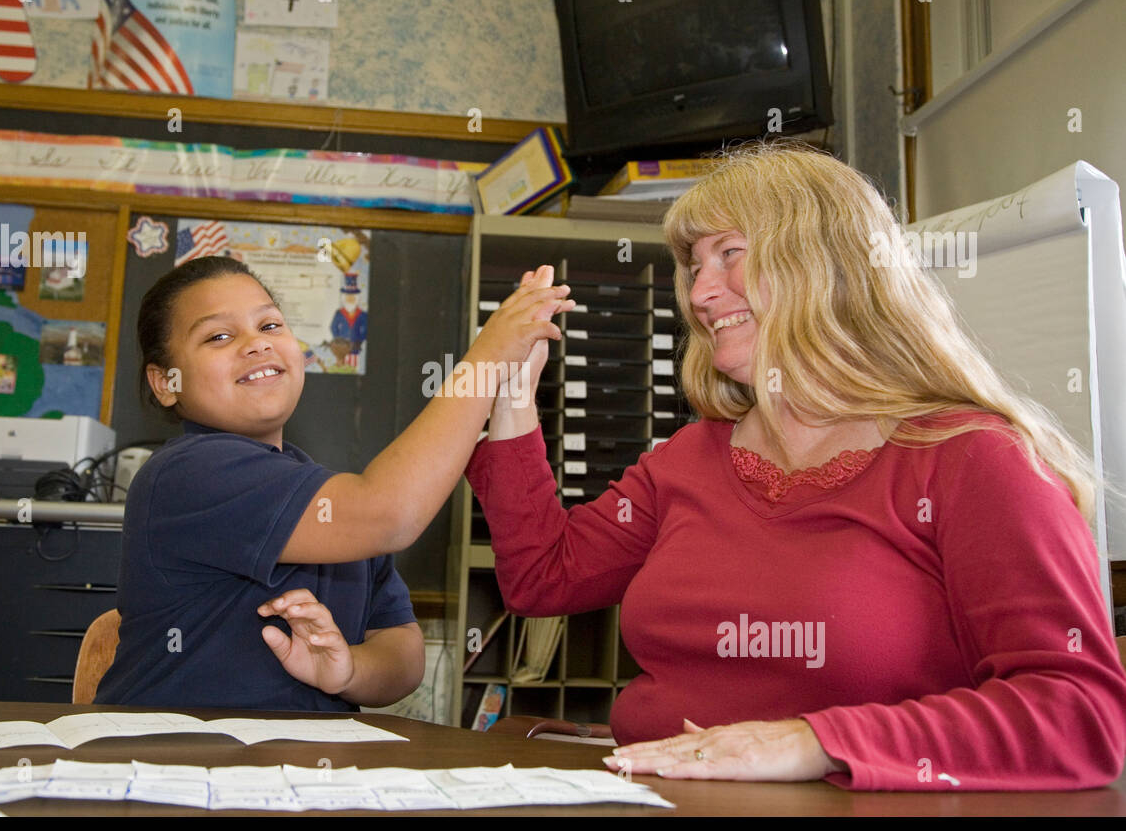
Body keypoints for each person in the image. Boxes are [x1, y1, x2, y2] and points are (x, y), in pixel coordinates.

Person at [465, 143, 1126, 790]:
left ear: (827, 265)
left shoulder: (973, 459)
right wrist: (515, 396)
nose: (701, 293)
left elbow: (1078, 714)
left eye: (729, 256)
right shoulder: (689, 459)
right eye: (694, 267)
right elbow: (542, 580)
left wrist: (817, 741)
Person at [96, 256, 572, 711]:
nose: (257, 343)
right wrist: (488, 356)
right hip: (175, 764)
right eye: (219, 336)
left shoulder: (325, 496)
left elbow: (404, 654)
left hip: (297, 770)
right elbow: (391, 513)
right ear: (165, 382)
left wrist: (347, 671)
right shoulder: (186, 473)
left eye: (269, 325)